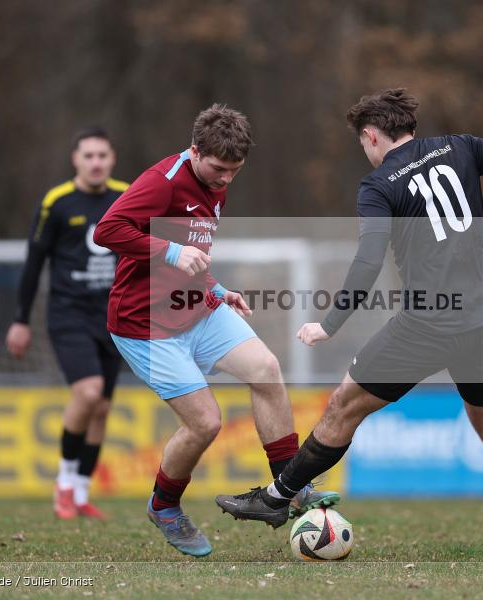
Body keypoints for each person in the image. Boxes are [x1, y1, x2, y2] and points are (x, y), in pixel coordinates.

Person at [216, 89, 483, 562]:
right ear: (411, 128)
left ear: (371, 135)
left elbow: (368, 259)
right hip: (482, 316)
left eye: (363, 143)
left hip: (427, 321)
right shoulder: (460, 146)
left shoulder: (378, 185)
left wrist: (331, 324)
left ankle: (277, 500)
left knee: (343, 405)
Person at [92, 104, 338, 558]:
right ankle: (164, 506)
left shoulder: (215, 184)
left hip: (195, 307)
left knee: (265, 368)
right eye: (218, 169)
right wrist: (169, 252)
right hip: (145, 323)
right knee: (205, 423)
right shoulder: (162, 181)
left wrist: (218, 289)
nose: (225, 179)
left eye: (235, 171)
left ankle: (289, 488)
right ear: (194, 151)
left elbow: (194, 251)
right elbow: (107, 230)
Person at [6, 127, 129, 520]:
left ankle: (80, 493)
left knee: (103, 407)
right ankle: (62, 483)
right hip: (69, 314)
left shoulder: (126, 197)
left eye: (102, 156)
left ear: (111, 160)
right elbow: (34, 261)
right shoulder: (56, 202)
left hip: (114, 315)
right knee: (89, 392)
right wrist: (20, 320)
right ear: (75, 160)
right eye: (88, 155)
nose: (95, 162)